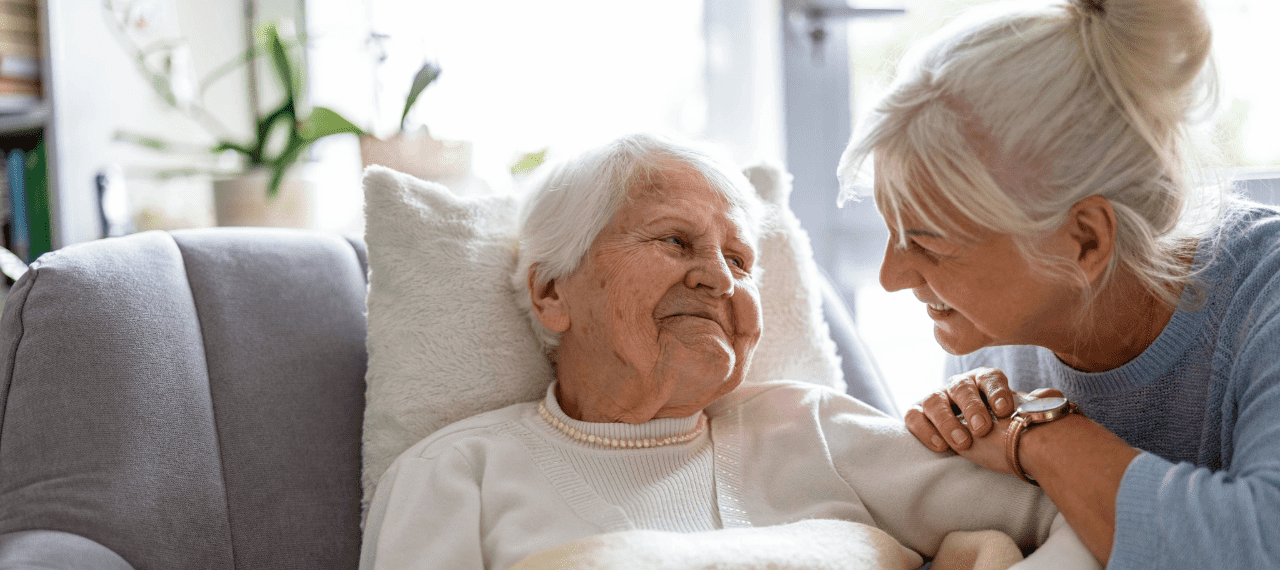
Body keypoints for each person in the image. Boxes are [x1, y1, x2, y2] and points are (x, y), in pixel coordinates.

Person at [359, 133, 1098, 569]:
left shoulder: (811, 427)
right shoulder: (455, 474)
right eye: (675, 241)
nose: (719, 278)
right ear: (553, 292)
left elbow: (1075, 519)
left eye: (741, 260)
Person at [836, 0, 1279, 567]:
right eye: (891, 230)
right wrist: (958, 444)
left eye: (931, 244)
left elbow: (1263, 543)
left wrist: (1040, 435)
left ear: (1085, 242)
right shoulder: (992, 332)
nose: (890, 278)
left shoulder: (1264, 297)